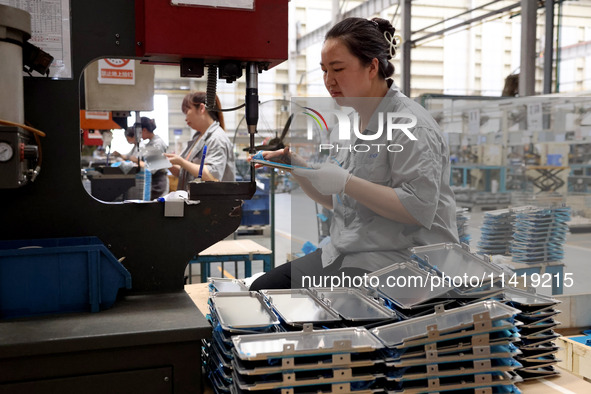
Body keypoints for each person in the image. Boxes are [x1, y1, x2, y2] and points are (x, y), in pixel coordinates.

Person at [249, 17, 459, 291]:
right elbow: (339, 200)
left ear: (372, 67)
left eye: (337, 69)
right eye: (324, 70)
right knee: (263, 290)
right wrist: (298, 168)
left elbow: (418, 208)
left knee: (314, 313)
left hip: (402, 262)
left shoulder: (410, 125)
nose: (329, 80)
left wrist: (347, 182)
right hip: (350, 254)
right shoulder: (350, 125)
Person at [165, 92, 236, 189]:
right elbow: (185, 172)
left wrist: (181, 162)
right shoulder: (198, 138)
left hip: (212, 202)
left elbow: (212, 175)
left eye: (187, 111)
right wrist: (167, 163)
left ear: (202, 108)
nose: (186, 118)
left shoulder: (217, 138)